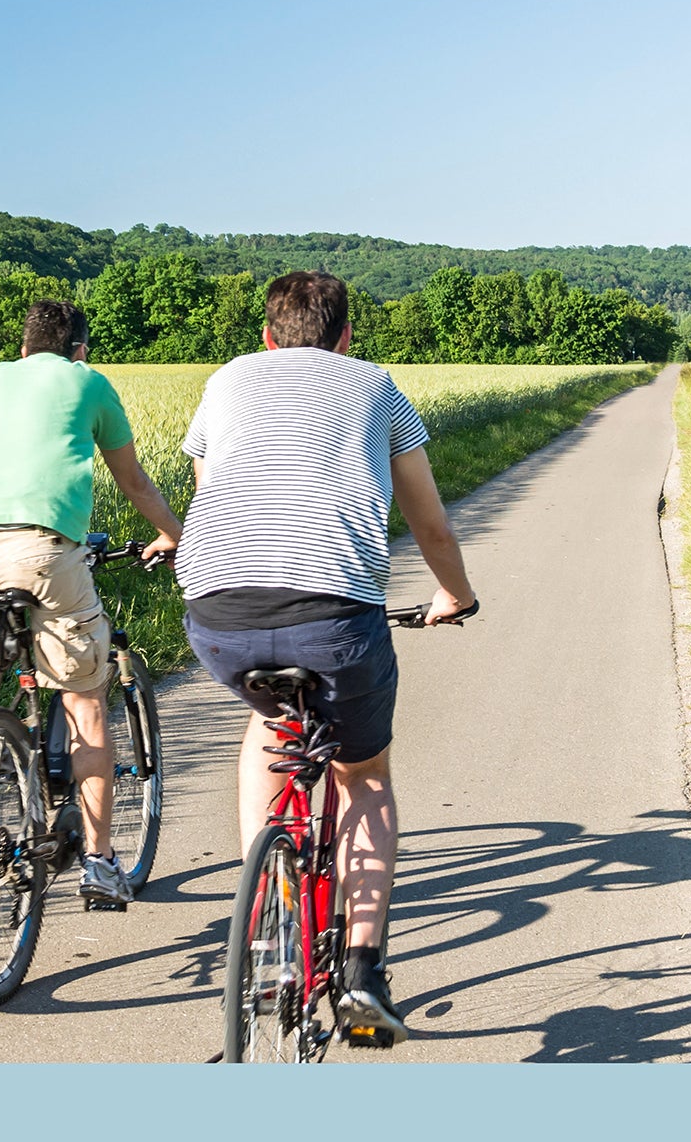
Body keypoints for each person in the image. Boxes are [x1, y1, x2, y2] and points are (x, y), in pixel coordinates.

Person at [175, 270, 477, 1044]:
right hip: (333, 616)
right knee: (362, 775)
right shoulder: (375, 386)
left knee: (269, 723)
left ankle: (270, 912)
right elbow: (432, 525)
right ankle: (364, 975)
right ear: (346, 336)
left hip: (217, 609)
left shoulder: (227, 379)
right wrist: (456, 594)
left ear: (267, 336)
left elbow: (211, 489)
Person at [0, 298, 182, 907]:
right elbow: (132, 481)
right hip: (42, 550)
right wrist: (174, 533)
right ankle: (99, 862)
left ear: (23, 349)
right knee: (84, 699)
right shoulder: (87, 381)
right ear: (80, 350)